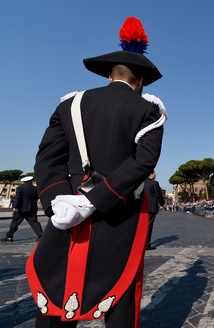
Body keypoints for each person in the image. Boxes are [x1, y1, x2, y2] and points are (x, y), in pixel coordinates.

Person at [26, 17, 166, 328]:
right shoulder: (148, 110)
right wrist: (96, 200)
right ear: (140, 80)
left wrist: (59, 202)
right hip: (121, 215)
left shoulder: (70, 105)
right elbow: (143, 162)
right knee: (121, 294)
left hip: (66, 215)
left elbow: (47, 158)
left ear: (109, 74)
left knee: (55, 295)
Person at [2, 176, 43, 242]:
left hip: (21, 209)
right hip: (32, 208)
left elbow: (18, 198)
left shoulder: (20, 188)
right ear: (31, 181)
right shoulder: (35, 189)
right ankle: (41, 236)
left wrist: (15, 206)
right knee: (34, 223)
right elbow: (37, 198)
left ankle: (9, 236)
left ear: (24, 182)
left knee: (15, 223)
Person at [144, 170, 164, 251]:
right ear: (151, 174)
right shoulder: (154, 183)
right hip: (151, 207)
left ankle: (140, 243)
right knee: (149, 225)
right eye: (154, 173)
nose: (155, 174)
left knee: (141, 225)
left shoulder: (141, 182)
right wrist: (162, 203)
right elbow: (159, 195)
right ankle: (147, 244)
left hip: (142, 207)